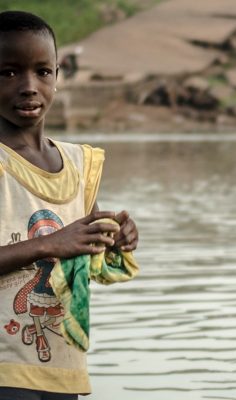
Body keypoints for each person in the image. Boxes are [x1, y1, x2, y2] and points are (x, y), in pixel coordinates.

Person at [0, 11, 139, 399]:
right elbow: (58, 242)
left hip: (62, 366)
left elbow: (81, 255)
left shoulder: (79, 164)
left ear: (58, 76)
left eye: (42, 71)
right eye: (8, 73)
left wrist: (114, 239)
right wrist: (49, 243)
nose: (29, 86)